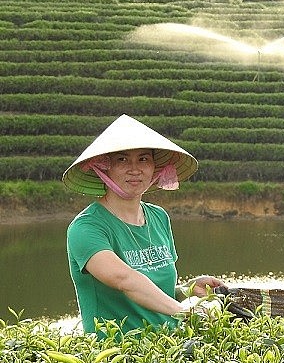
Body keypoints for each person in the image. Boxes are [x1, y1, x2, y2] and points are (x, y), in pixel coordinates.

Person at [63, 114, 224, 337]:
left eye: (143, 159)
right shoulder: (86, 228)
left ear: (155, 168)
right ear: (103, 168)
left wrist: (186, 291)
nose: (135, 169)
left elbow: (155, 293)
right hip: (118, 357)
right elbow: (124, 280)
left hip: (167, 349)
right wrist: (184, 311)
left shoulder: (159, 218)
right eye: (122, 160)